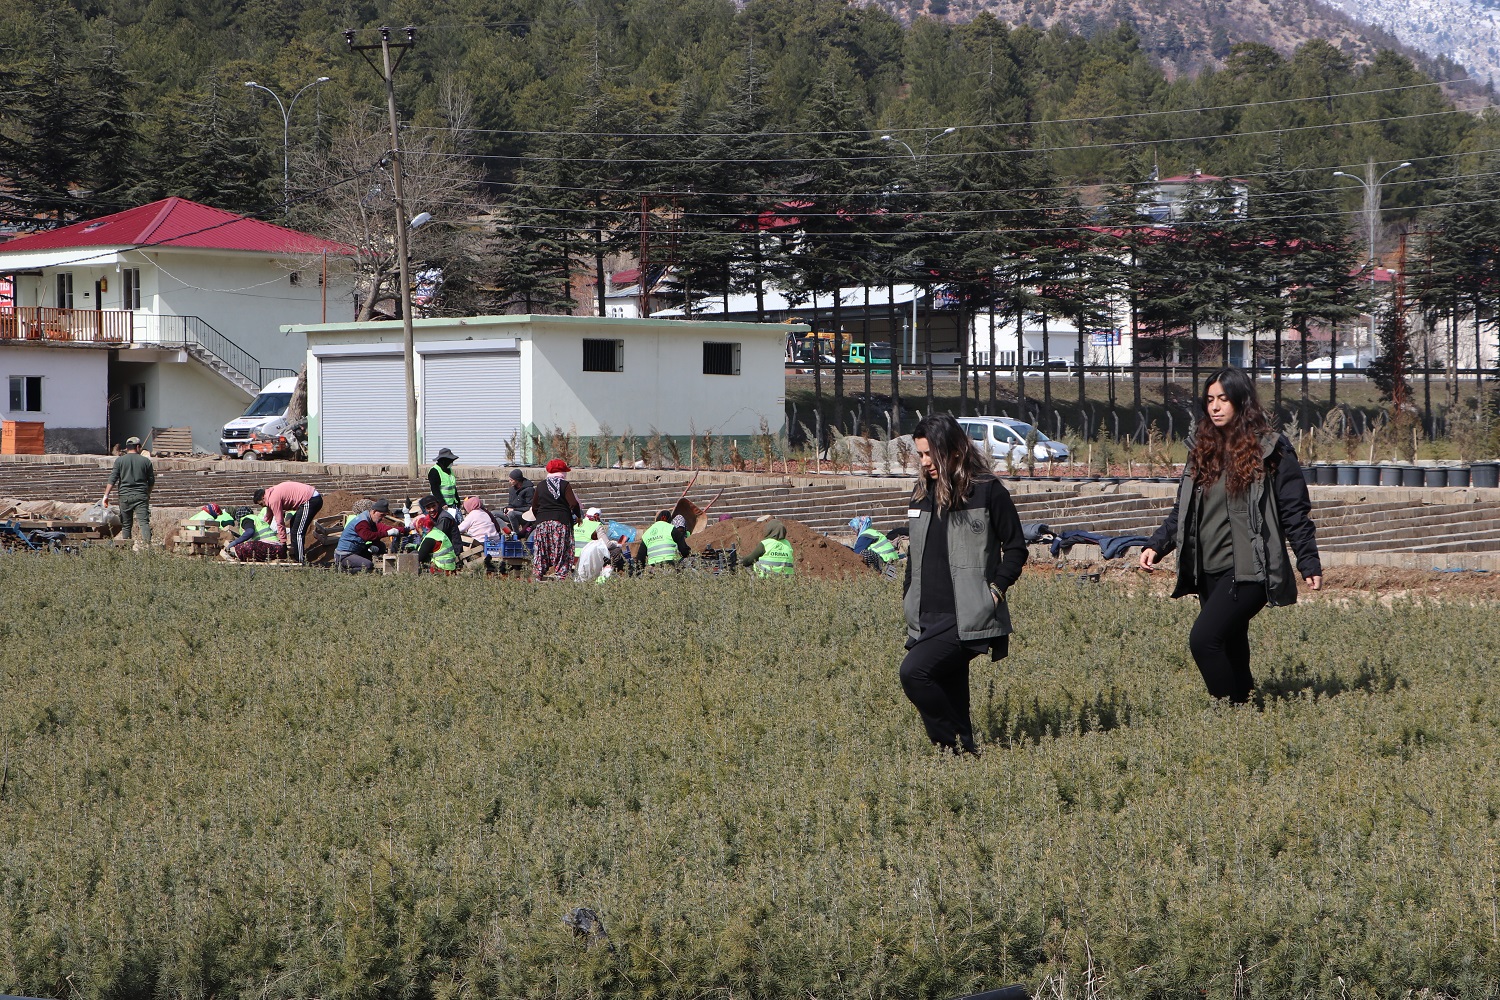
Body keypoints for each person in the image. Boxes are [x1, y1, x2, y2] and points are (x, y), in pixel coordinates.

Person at [1139, 367, 1323, 705]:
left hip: (1249, 568)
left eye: (1223, 399)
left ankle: (1225, 711)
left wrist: (1308, 559)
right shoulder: (1201, 449)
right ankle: (1245, 711)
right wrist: (1157, 544)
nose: (1215, 407)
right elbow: (1183, 509)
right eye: (1210, 399)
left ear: (1241, 402)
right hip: (1207, 566)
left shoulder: (1271, 450)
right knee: (1231, 645)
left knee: (1204, 640)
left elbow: (1294, 511)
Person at [900, 413, 1027, 755]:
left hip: (967, 612)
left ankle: (951, 745)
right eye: (921, 455)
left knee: (914, 673)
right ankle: (962, 756)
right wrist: (908, 594)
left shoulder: (987, 491)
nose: (925, 463)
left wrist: (995, 592)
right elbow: (915, 555)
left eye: (930, 455)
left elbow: (1016, 548)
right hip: (926, 612)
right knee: (949, 685)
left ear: (954, 450)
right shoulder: (921, 493)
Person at [528, 459, 582, 580]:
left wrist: (541, 519)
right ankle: (561, 576)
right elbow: (573, 503)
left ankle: (538, 575)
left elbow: (534, 506)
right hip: (561, 522)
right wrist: (578, 516)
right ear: (562, 472)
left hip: (542, 523)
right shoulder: (565, 485)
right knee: (562, 550)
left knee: (541, 550)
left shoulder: (541, 485)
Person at [101, 435, 155, 550]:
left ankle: (127, 550)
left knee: (126, 525)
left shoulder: (120, 461)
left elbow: (112, 479)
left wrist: (106, 496)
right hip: (141, 496)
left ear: (127, 448)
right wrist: (148, 494)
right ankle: (147, 549)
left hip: (124, 497)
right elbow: (151, 481)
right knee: (144, 523)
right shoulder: (146, 461)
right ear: (138, 447)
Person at [256, 481, 322, 564]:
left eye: (261, 504)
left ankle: (301, 561)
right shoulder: (270, 495)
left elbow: (279, 521)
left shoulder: (273, 499)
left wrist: (283, 542)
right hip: (309, 498)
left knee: (298, 532)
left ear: (263, 497)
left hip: (310, 500)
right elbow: (268, 518)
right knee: (293, 523)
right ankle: (297, 553)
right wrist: (261, 532)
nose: (263, 506)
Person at [335, 500, 401, 572]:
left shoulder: (369, 519)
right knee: (368, 565)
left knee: (381, 546)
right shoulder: (362, 521)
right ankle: (343, 571)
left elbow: (375, 534)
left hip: (356, 549)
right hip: (345, 555)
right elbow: (367, 536)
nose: (382, 518)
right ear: (374, 511)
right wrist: (387, 533)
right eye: (381, 515)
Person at [415, 496, 459, 573]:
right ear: (425, 509)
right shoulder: (434, 517)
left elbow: (434, 539)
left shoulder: (444, 518)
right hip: (441, 550)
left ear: (438, 504)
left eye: (433, 506)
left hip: (450, 551)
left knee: (418, 558)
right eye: (428, 508)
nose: (432, 509)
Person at [502, 468, 534, 534]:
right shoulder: (512, 489)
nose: (509, 481)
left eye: (511, 480)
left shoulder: (529, 489)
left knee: (512, 514)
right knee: (494, 514)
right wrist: (506, 508)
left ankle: (516, 534)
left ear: (517, 480)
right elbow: (511, 504)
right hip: (512, 514)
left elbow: (530, 507)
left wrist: (514, 510)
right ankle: (508, 530)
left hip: (524, 515)